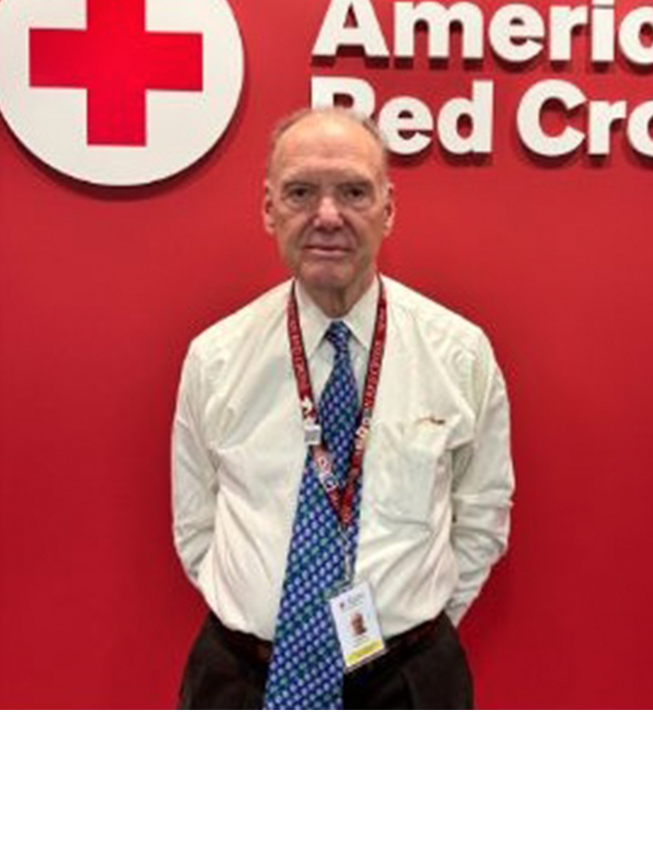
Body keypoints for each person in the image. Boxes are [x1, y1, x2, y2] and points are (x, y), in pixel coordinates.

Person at [172, 107, 514, 709]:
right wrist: (273, 626)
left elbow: (482, 513)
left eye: (353, 192)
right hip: (240, 682)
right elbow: (196, 522)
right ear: (269, 209)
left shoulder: (459, 353)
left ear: (389, 208)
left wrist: (409, 630)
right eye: (301, 192)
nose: (327, 216)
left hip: (407, 685)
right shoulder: (216, 357)